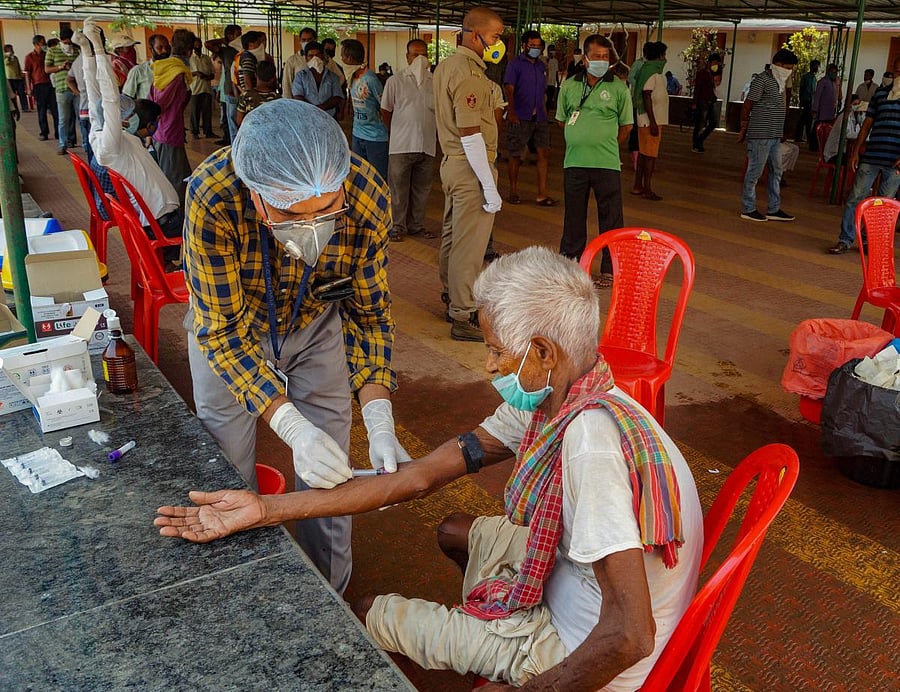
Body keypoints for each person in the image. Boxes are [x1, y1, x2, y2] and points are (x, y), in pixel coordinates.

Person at [156, 244, 704, 691]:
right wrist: (265, 509)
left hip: (585, 646)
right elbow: (418, 479)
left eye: (495, 351)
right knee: (453, 531)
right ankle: (486, 634)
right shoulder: (571, 396)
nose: (488, 365)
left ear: (542, 352)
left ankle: (505, 655)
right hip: (577, 585)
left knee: (369, 611)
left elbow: (630, 636)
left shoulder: (591, 445)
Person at [177, 99, 408, 593]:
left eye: (325, 211)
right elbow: (221, 331)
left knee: (333, 477)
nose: (310, 228)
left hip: (316, 322)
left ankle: (329, 594)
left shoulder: (365, 195)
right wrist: (290, 427)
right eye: (288, 213)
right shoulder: (213, 197)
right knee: (225, 463)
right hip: (233, 329)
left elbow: (368, 316)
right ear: (255, 194)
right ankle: (238, 594)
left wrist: (380, 419)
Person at [75, 20, 183, 263]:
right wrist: (99, 49)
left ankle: (169, 261)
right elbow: (109, 99)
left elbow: (94, 99)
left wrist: (86, 51)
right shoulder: (109, 146)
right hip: (164, 226)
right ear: (121, 120)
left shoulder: (100, 136)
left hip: (159, 221)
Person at [434, 7, 505, 342]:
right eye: (495, 36)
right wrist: (489, 186)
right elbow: (471, 133)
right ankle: (463, 314)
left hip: (453, 163)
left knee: (453, 234)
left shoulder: (448, 66)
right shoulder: (469, 75)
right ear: (475, 35)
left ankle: (451, 296)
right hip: (470, 165)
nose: (498, 43)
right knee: (470, 245)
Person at [557, 34, 633, 289]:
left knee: (611, 219)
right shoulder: (569, 85)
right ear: (585, 59)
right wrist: (580, 138)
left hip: (607, 164)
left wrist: (604, 143)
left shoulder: (618, 87)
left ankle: (610, 269)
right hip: (575, 162)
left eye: (606, 57)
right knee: (573, 218)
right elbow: (561, 120)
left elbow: (626, 126)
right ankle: (571, 267)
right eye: (597, 56)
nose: (602, 61)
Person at [828, 66, 900, 254]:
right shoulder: (881, 94)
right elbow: (868, 122)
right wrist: (856, 151)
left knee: (884, 204)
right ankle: (845, 239)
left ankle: (870, 241)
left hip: (895, 162)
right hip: (872, 155)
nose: (897, 75)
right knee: (855, 198)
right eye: (896, 71)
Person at [380, 39, 437, 242]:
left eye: (423, 55)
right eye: (415, 54)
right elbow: (385, 110)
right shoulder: (395, 81)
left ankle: (416, 225)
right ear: (407, 57)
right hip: (401, 144)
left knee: (422, 188)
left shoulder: (435, 81)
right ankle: (397, 226)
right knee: (398, 188)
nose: (419, 59)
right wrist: (395, 130)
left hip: (427, 144)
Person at [738, 48, 798, 223]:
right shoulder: (762, 80)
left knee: (777, 171)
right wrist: (743, 126)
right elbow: (748, 104)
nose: (790, 71)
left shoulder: (781, 83)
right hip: (760, 134)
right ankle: (748, 208)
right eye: (788, 67)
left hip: (774, 135)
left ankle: (774, 208)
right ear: (778, 65)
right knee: (754, 172)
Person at [504, 30, 556, 207]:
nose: (535, 49)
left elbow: (542, 91)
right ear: (524, 45)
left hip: (539, 116)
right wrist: (511, 112)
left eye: (538, 46)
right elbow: (509, 88)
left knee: (543, 153)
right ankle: (513, 191)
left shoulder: (541, 66)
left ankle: (542, 194)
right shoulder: (515, 64)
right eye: (532, 45)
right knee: (516, 154)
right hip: (520, 115)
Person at [150, 38, 192, 201]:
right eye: (160, 47)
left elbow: (152, 100)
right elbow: (160, 104)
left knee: (174, 171)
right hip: (169, 131)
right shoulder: (176, 73)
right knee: (174, 175)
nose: (163, 50)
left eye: (166, 47)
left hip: (160, 130)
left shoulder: (159, 71)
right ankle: (176, 209)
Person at [343, 38, 390, 180]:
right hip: (358, 135)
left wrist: (388, 130)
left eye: (343, 56)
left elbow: (385, 106)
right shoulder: (352, 78)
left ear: (350, 58)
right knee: (359, 175)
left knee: (377, 177)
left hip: (375, 138)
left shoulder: (370, 80)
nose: (342, 59)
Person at [632, 41, 669, 202]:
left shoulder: (654, 71)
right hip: (649, 120)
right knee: (650, 156)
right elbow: (646, 95)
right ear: (659, 56)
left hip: (650, 119)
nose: (665, 58)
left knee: (643, 154)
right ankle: (647, 188)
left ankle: (638, 186)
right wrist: (653, 122)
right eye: (664, 55)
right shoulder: (651, 71)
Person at [45, 27, 79, 154]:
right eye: (65, 42)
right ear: (60, 40)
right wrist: (60, 67)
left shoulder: (76, 51)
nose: (68, 44)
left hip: (77, 89)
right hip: (62, 89)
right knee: (63, 118)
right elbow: (47, 69)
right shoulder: (52, 51)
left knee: (81, 118)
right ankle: (63, 144)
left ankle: (86, 143)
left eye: (69, 42)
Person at [290, 41, 343, 118]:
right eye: (311, 56)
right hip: (307, 117)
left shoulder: (332, 76)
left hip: (328, 117)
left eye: (317, 55)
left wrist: (322, 107)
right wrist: (314, 109)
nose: (315, 59)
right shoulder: (300, 76)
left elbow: (337, 97)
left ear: (323, 56)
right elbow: (298, 97)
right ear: (306, 58)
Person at [207, 24, 241, 142]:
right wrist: (223, 40)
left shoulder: (243, 49)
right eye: (237, 34)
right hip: (230, 90)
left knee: (241, 120)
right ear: (230, 36)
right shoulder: (226, 50)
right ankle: (234, 146)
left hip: (242, 89)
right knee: (232, 120)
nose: (240, 37)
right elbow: (208, 44)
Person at [23, 35, 58, 141]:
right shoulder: (29, 57)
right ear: (36, 44)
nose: (44, 45)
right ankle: (44, 132)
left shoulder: (47, 54)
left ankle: (58, 132)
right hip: (38, 85)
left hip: (50, 84)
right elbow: (27, 73)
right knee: (41, 111)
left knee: (55, 110)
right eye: (42, 43)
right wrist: (28, 88)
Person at [123, 33, 169, 101]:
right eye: (159, 48)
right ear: (151, 49)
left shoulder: (173, 70)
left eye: (167, 47)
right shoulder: (138, 71)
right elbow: (127, 98)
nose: (164, 51)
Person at [691, 52, 721, 153]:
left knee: (712, 123)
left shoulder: (710, 74)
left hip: (709, 102)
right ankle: (696, 144)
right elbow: (698, 88)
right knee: (699, 124)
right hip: (702, 102)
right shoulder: (703, 73)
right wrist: (695, 102)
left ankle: (699, 141)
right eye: (715, 62)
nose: (715, 65)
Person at [237, 59, 280, 124]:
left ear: (255, 75)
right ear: (273, 78)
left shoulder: (245, 96)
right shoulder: (277, 98)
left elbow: (239, 121)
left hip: (249, 132)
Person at [822, 93, 862, 164]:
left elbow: (857, 132)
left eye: (858, 104)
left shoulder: (856, 118)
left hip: (843, 151)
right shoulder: (844, 117)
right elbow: (848, 135)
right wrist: (862, 135)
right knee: (856, 161)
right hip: (834, 153)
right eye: (855, 104)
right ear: (849, 105)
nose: (857, 107)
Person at [189, 38, 215, 139]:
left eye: (200, 45)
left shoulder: (207, 58)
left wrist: (208, 76)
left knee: (207, 111)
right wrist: (196, 73)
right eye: (196, 45)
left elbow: (212, 73)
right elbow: (186, 73)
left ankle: (208, 132)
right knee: (195, 112)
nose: (198, 47)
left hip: (207, 88)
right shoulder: (190, 59)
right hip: (195, 89)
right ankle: (194, 132)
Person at [282, 26, 317, 97]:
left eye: (310, 39)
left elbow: (338, 77)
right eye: (304, 40)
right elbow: (287, 84)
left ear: (315, 40)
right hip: (299, 101)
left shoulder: (323, 58)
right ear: (300, 41)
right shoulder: (292, 60)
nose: (307, 42)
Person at [795, 60, 819, 149]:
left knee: (807, 120)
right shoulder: (806, 77)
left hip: (811, 101)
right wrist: (800, 101)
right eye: (815, 66)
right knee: (804, 120)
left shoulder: (814, 78)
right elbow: (801, 89)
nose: (816, 68)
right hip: (805, 100)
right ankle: (799, 137)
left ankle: (805, 137)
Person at [812, 62, 839, 136]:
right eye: (832, 72)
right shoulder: (822, 82)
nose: (834, 74)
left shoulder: (833, 83)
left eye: (835, 72)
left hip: (830, 111)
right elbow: (817, 96)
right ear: (828, 71)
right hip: (822, 111)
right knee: (818, 128)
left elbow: (837, 96)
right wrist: (815, 109)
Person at [4, 44, 29, 112]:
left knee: (22, 93)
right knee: (12, 95)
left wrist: (21, 75)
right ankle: (14, 108)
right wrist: (8, 56)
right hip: (10, 78)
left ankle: (25, 107)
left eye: (11, 49)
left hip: (18, 78)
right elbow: (7, 63)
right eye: (8, 49)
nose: (10, 51)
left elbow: (18, 67)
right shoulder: (5, 58)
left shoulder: (15, 57)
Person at [545, 45, 559, 111]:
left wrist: (558, 82)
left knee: (549, 99)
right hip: (545, 82)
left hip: (552, 83)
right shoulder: (544, 59)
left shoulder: (555, 61)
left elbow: (556, 72)